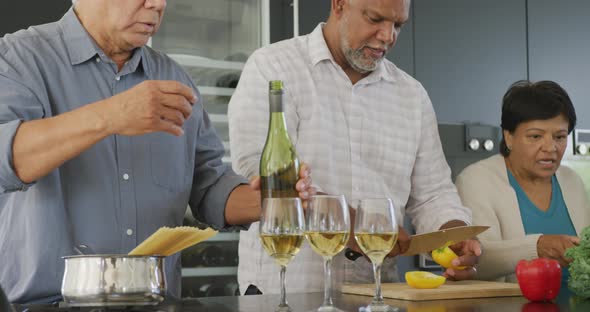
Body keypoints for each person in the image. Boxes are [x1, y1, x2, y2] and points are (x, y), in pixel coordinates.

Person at [0, 0, 313, 304]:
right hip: (48, 304)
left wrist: (268, 204)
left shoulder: (174, 78)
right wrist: (111, 115)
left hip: (156, 301)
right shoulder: (21, 56)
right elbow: (8, 159)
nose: (158, 4)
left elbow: (208, 185)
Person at [228, 0, 481, 295]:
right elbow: (266, 173)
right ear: (339, 5)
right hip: (286, 289)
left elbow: (433, 193)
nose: (388, 36)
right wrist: (352, 224)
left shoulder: (411, 95)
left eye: (398, 25)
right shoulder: (273, 67)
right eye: (375, 19)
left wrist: (453, 234)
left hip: (377, 292)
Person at [455, 80, 590, 286]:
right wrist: (536, 247)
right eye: (535, 136)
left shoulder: (572, 181)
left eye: (560, 137)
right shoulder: (476, 180)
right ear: (509, 137)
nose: (550, 147)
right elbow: (477, 262)